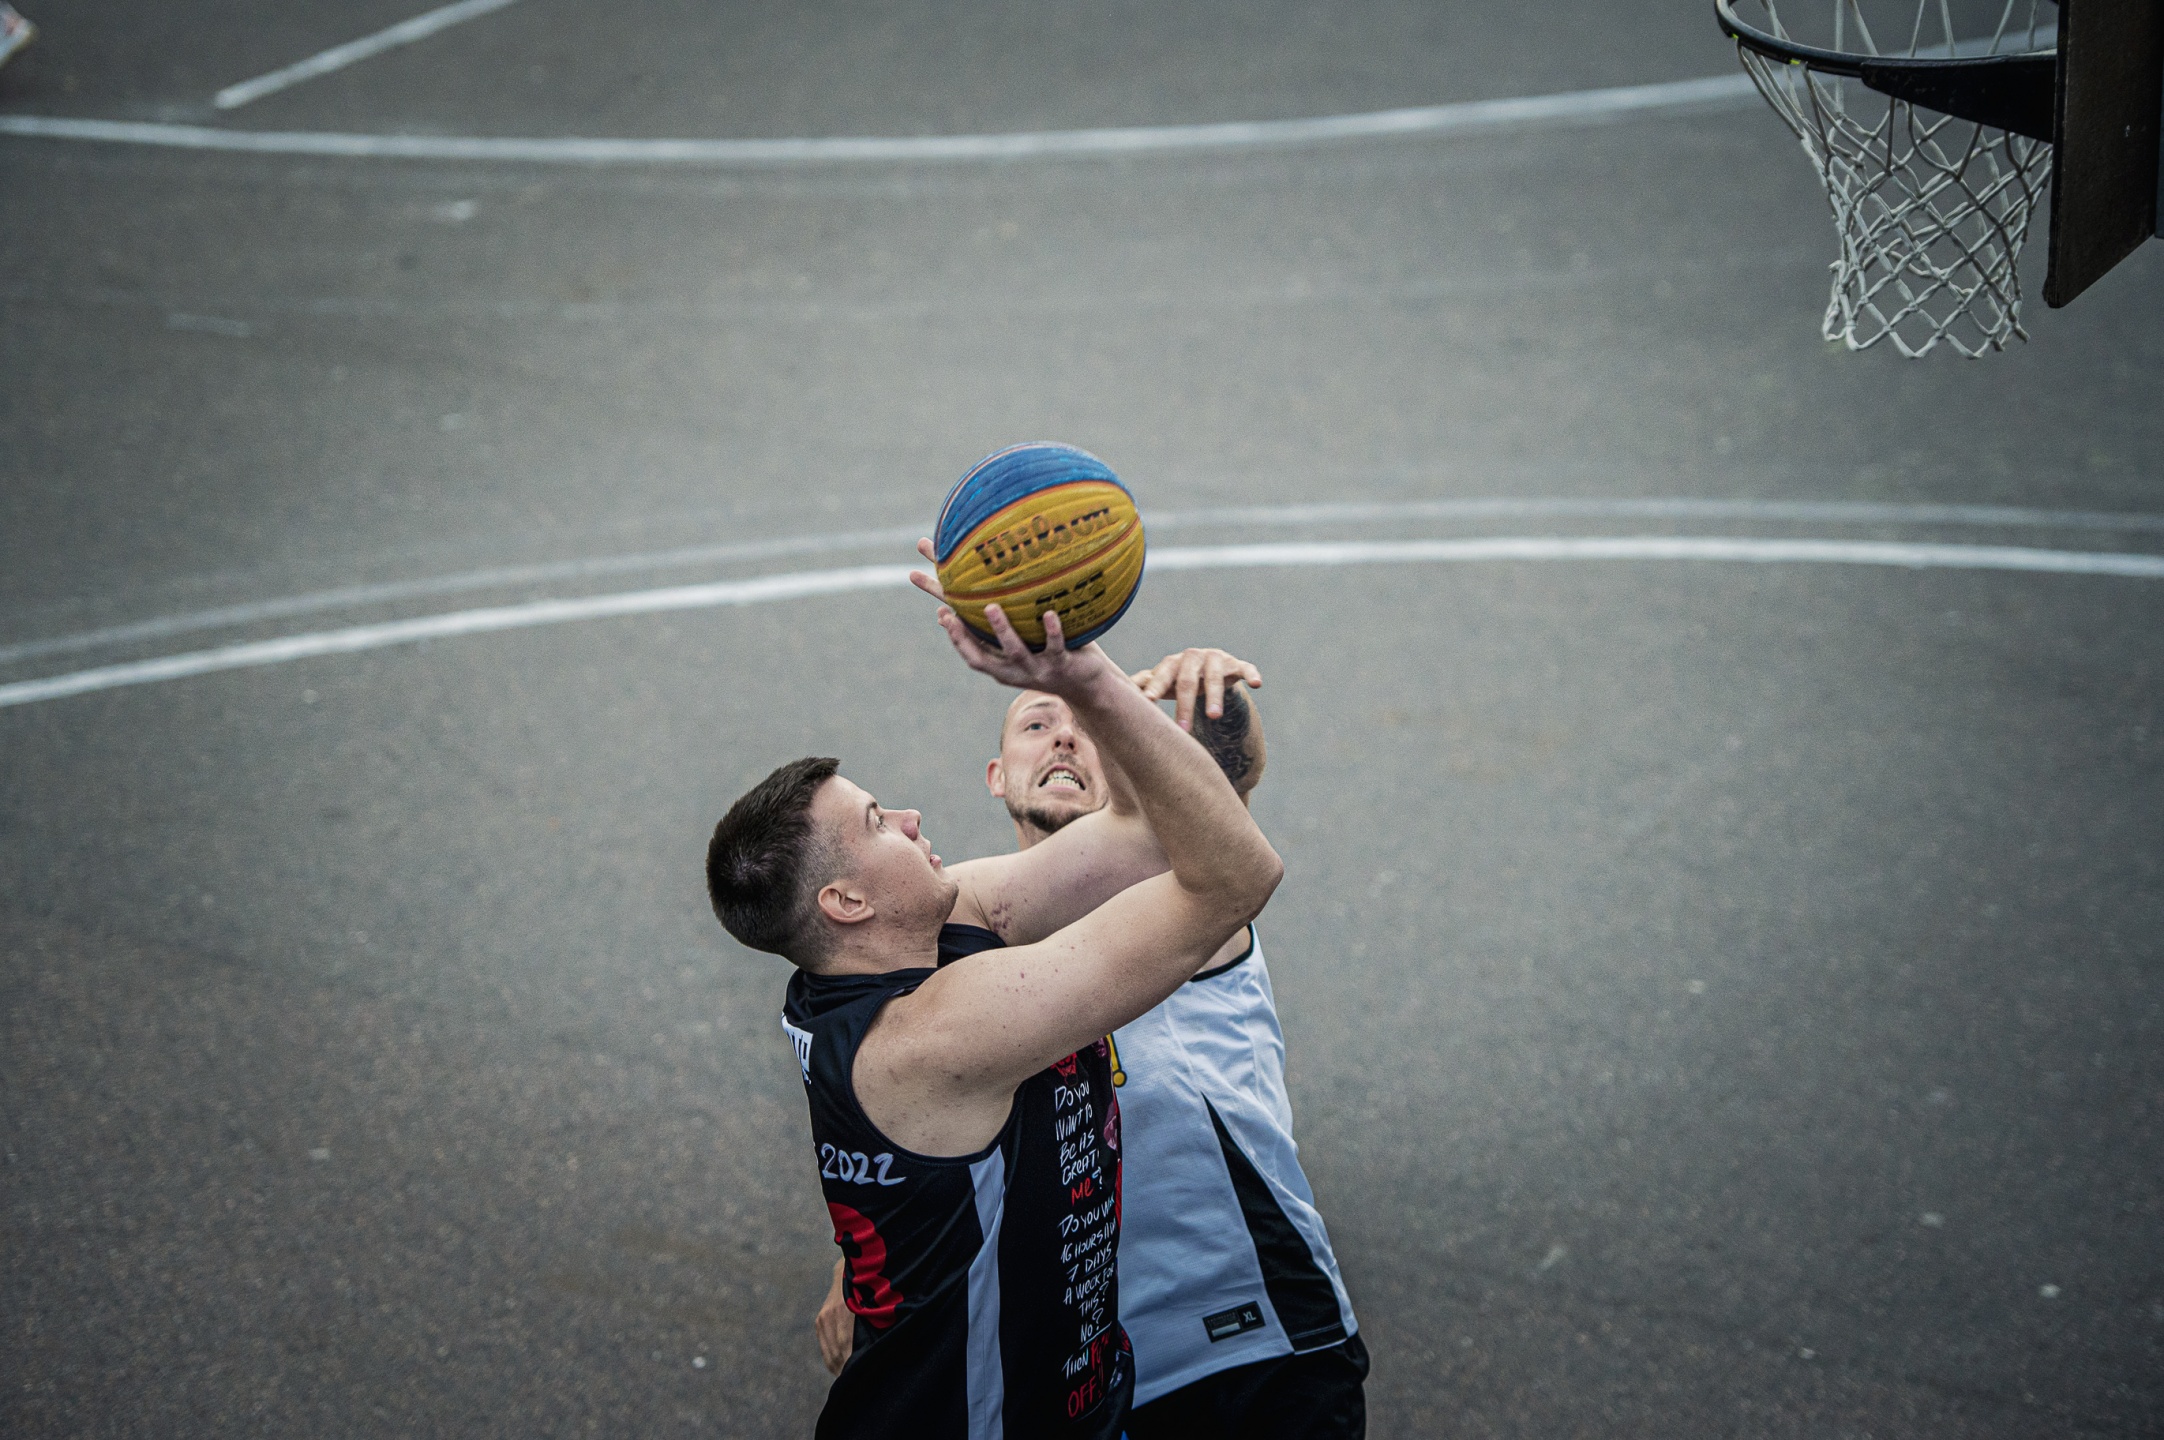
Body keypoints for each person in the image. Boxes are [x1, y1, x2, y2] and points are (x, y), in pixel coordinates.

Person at [705, 592, 1282, 1440]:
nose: (911, 818)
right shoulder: (935, 1037)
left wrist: (1083, 684)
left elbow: (1145, 837)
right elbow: (1235, 879)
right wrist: (1083, 677)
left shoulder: (918, 932)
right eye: (878, 822)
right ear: (847, 901)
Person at [815, 647, 1367, 1438]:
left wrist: (1208, 701)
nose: (1066, 738)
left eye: (1085, 729)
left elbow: (1229, 784)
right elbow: (933, 1144)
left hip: (1256, 1344)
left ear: (1129, 774)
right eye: (1036, 725)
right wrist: (866, 1260)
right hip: (1089, 1377)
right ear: (997, 776)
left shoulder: (1180, 886)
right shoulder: (967, 953)